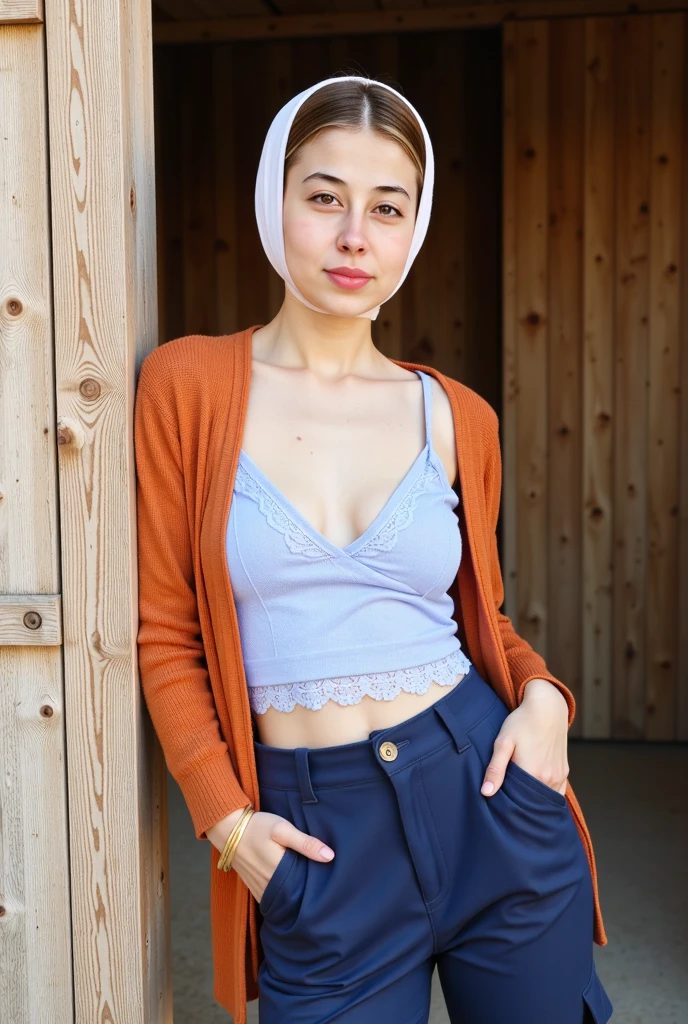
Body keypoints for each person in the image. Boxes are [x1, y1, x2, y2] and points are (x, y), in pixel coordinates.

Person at [134, 74, 612, 1024]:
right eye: (324, 198)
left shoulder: (457, 416)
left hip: (488, 794)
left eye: (387, 208)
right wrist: (229, 824)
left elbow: (487, 618)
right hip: (317, 834)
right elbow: (165, 633)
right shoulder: (187, 385)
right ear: (276, 203)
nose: (355, 235)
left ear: (413, 228)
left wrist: (546, 698)